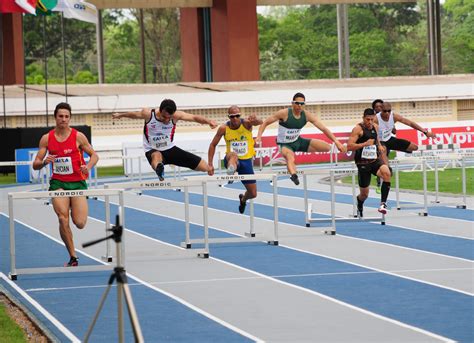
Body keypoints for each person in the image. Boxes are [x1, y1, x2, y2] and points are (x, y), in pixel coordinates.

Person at [32, 102, 99, 267]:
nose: (63, 119)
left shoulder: (78, 136)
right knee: (63, 219)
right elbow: (36, 164)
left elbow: (94, 156)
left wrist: (87, 167)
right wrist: (44, 162)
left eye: (66, 116)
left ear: (70, 118)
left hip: (77, 183)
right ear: (55, 117)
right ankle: (73, 256)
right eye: (60, 116)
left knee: (80, 223)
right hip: (58, 183)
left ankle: (74, 209)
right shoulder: (47, 139)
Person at [112, 99, 217, 180]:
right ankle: (159, 169)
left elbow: (194, 118)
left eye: (169, 118)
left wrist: (209, 121)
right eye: (164, 117)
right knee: (156, 156)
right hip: (152, 149)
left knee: (204, 166)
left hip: (170, 149)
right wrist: (120, 115)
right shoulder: (148, 114)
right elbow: (133, 115)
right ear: (160, 111)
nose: (167, 120)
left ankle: (208, 169)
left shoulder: (176, 115)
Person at [256, 92, 346, 185]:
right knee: (290, 158)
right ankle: (294, 176)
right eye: (297, 103)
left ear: (304, 105)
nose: (299, 106)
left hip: (298, 141)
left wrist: (336, 142)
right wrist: (259, 136)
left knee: (327, 147)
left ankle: (344, 148)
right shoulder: (284, 113)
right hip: (284, 144)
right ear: (292, 103)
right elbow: (265, 122)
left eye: (302, 104)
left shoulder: (306, 115)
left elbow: (323, 128)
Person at [208, 106, 262, 214]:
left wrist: (256, 119)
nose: (235, 119)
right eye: (232, 117)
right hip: (230, 159)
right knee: (233, 155)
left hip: (246, 161)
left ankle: (243, 199)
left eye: (237, 116)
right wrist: (210, 164)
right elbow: (213, 145)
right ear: (229, 117)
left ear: (240, 115)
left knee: (253, 193)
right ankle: (231, 170)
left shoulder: (246, 123)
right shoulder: (223, 128)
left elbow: (260, 122)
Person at [346, 108, 391, 216]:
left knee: (386, 172)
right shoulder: (357, 129)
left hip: (375, 161)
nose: (370, 122)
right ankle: (360, 202)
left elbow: (377, 139)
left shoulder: (375, 127)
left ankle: (383, 204)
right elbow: (349, 146)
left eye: (372, 119)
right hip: (362, 164)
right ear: (363, 118)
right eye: (367, 119)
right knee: (364, 194)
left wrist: (379, 146)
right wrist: (364, 144)